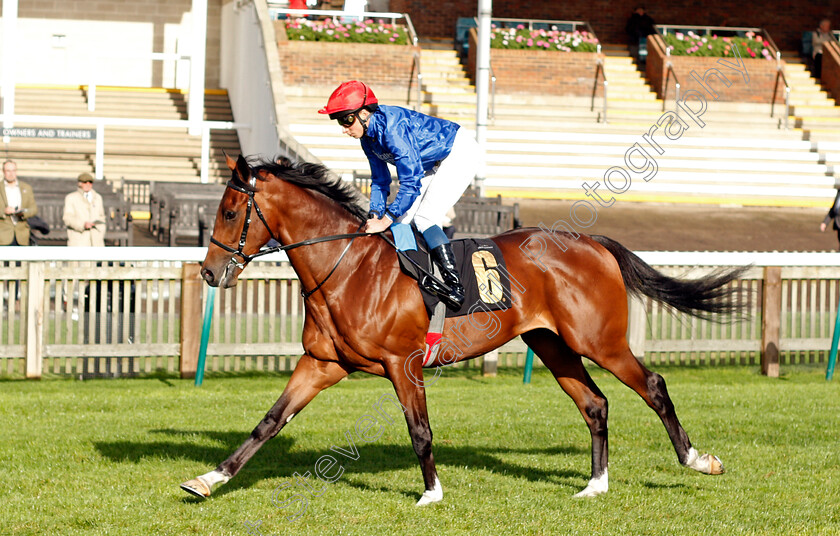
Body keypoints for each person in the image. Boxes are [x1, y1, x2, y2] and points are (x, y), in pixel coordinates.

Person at [319, 80, 479, 310]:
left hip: (459, 151)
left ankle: (455, 286)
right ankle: (418, 278)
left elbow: (410, 183)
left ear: (364, 113)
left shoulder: (393, 130)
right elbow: (380, 180)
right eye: (340, 121)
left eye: (347, 119)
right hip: (431, 161)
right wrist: (375, 214)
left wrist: (386, 218)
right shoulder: (368, 138)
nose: (344, 128)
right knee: (402, 222)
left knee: (425, 218)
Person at [0, 159, 38, 246]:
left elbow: (33, 209)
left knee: (19, 259)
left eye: (13, 170)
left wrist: (23, 213)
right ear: (3, 171)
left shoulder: (26, 188)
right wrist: (4, 212)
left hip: (21, 234)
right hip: (3, 234)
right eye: (8, 171)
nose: (11, 173)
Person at [63, 172, 106, 247]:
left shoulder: (97, 198)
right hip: (79, 238)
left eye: (90, 182)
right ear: (79, 184)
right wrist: (83, 224)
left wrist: (101, 231)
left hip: (96, 239)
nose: (88, 184)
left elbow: (101, 216)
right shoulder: (71, 198)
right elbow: (67, 218)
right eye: (85, 182)